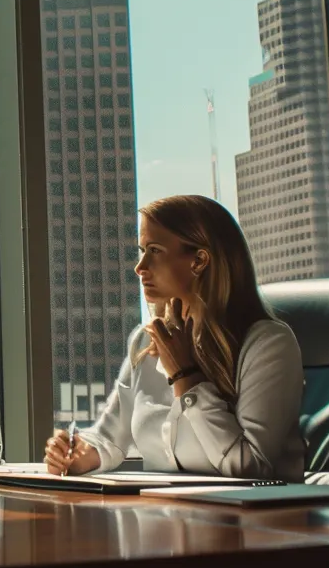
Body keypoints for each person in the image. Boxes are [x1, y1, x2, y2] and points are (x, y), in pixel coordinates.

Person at [44, 194, 305, 482]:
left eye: (154, 250)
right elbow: (110, 437)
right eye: (142, 250)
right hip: (167, 516)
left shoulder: (269, 344)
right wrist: (81, 453)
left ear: (199, 260)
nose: (139, 267)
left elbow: (252, 468)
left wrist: (187, 377)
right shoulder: (145, 342)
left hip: (258, 522)